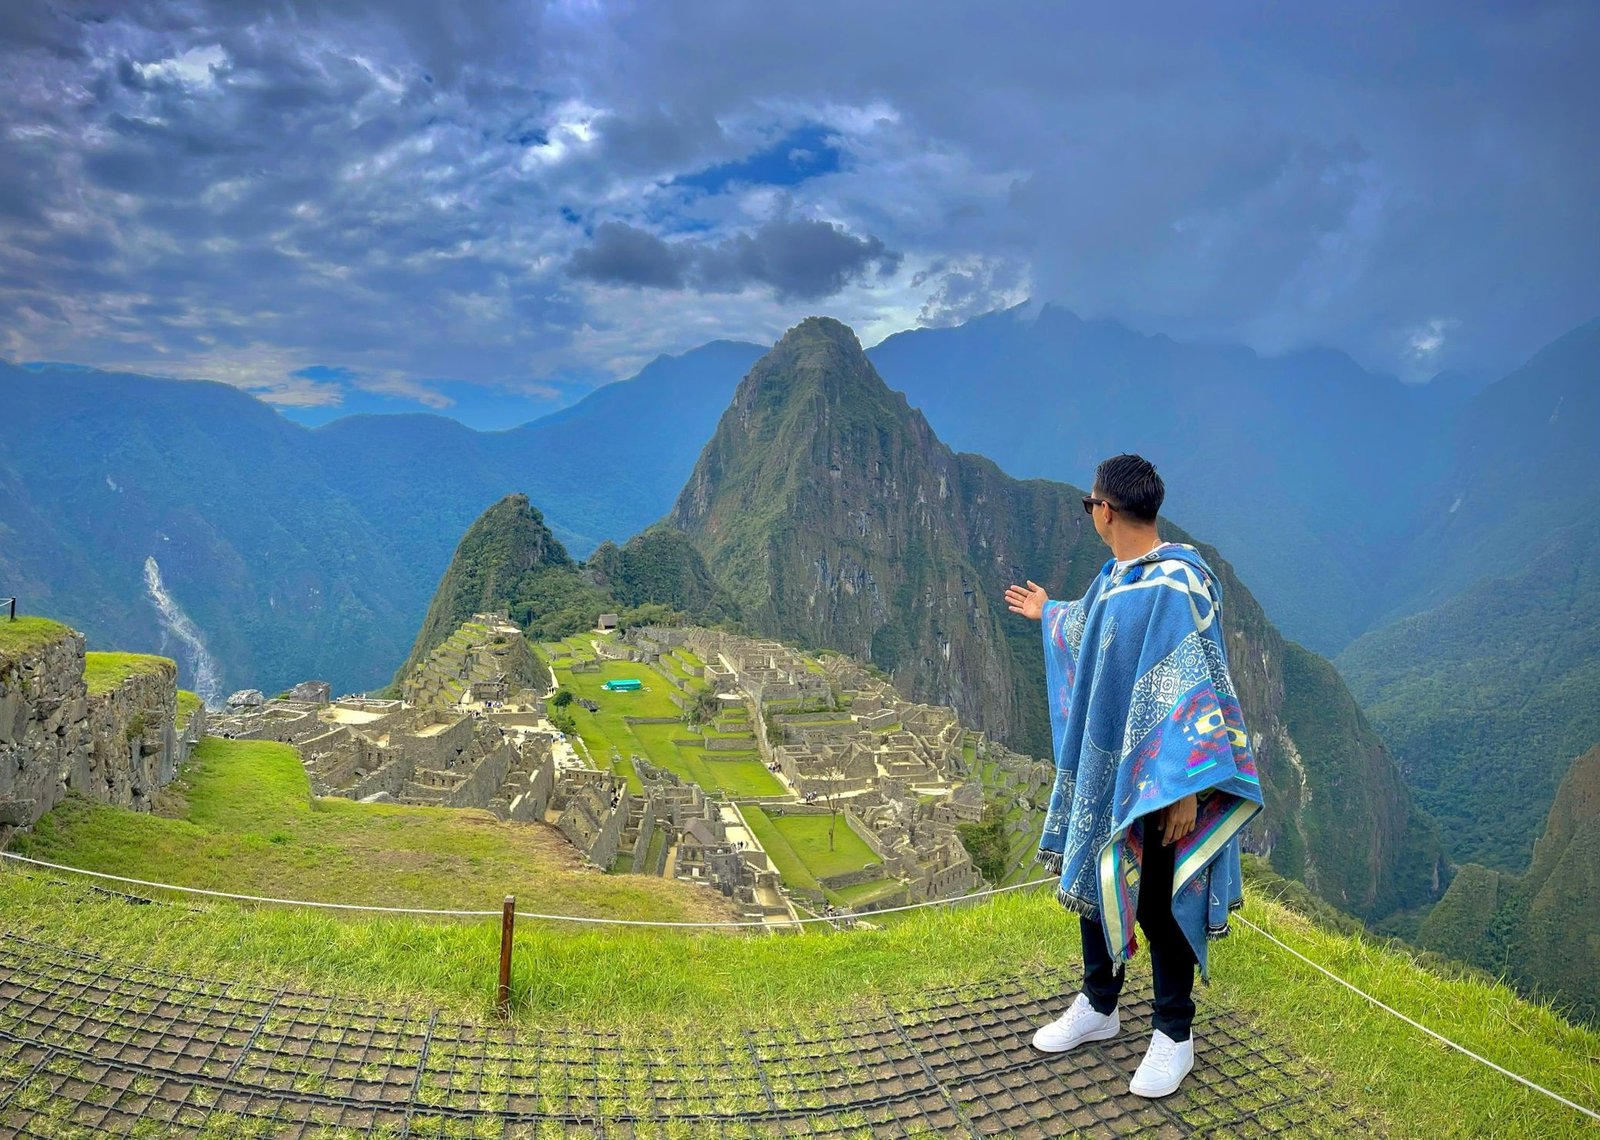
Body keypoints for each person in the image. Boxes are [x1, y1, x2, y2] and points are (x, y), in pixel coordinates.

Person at [1004, 453, 1262, 1100]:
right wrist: (1051, 614)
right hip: (1113, 770)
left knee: (1159, 896)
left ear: (1107, 509)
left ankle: (1175, 1033)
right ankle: (1099, 1004)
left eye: (1089, 503)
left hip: (1167, 782)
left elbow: (1200, 689)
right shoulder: (1117, 578)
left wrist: (1189, 791)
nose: (1090, 512)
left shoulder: (1178, 586)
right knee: (1099, 870)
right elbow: (1095, 634)